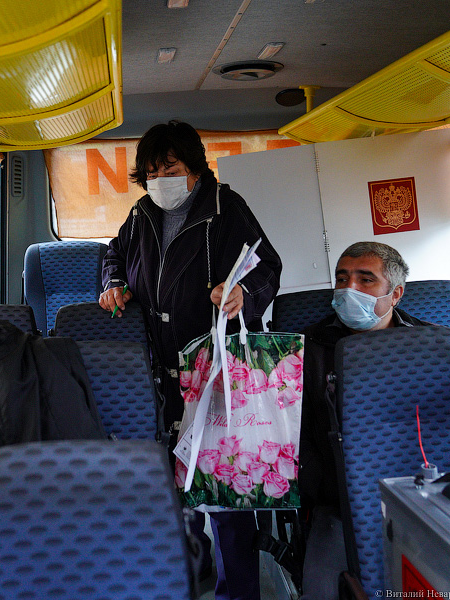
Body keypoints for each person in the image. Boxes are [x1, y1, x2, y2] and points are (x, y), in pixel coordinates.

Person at [99, 120, 282, 600]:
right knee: (174, 490)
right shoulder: (141, 213)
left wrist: (242, 293)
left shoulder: (224, 207)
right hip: (159, 373)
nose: (160, 180)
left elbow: (266, 265)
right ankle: (190, 575)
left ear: (196, 169)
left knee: (224, 491)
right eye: (152, 172)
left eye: (171, 168)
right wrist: (113, 282)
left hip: (215, 368)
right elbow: (113, 253)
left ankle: (237, 592)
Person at [298, 241, 431, 599]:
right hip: (336, 500)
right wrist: (324, 487)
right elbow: (293, 430)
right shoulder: (306, 348)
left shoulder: (430, 345)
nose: (349, 288)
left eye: (365, 279)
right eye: (342, 279)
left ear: (396, 294)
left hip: (419, 493)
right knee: (321, 590)